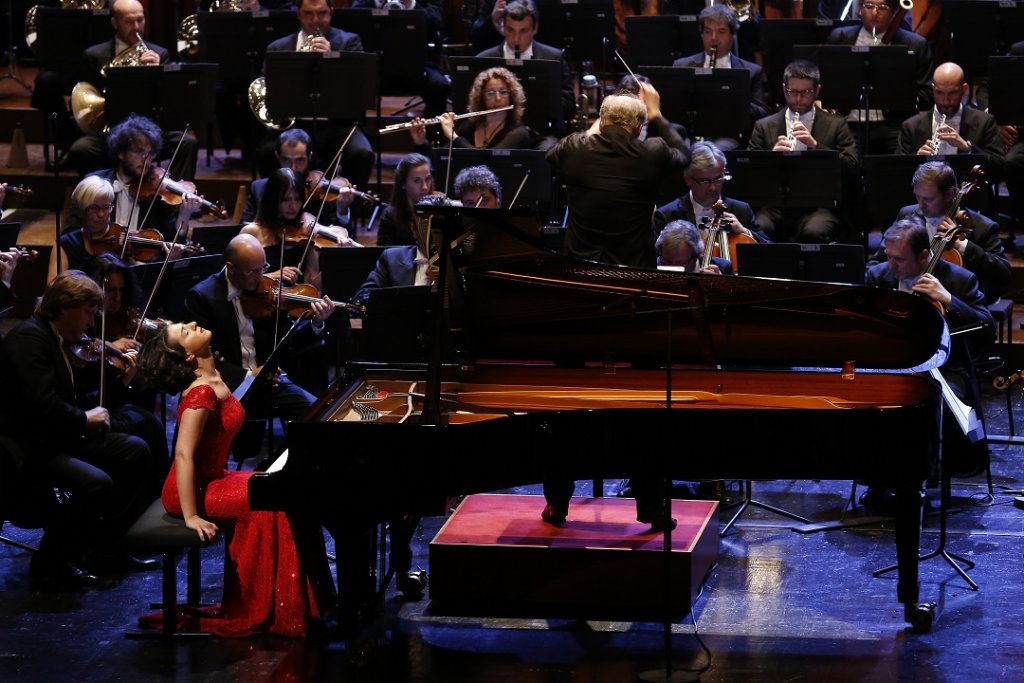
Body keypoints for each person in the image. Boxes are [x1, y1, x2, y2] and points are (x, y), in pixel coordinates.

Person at [135, 322, 335, 636]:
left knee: (281, 490)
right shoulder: (200, 393)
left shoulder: (214, 376)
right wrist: (191, 517)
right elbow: (183, 455)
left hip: (215, 477)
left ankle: (312, 603)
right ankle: (270, 606)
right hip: (191, 489)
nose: (191, 325)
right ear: (188, 357)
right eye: (185, 333)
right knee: (271, 503)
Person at [0, 271, 158, 589]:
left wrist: (122, 382)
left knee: (136, 450)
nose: (90, 323)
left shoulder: (58, 339)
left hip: (59, 436)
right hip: (30, 447)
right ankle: (50, 562)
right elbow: (42, 405)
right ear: (65, 307)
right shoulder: (30, 341)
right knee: (96, 483)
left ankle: (106, 548)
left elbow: (75, 399)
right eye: (88, 313)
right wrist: (85, 419)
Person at [862, 220, 993, 505]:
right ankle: (876, 476)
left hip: (944, 367)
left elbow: (986, 328)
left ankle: (924, 473)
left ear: (924, 256)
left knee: (931, 403)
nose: (891, 265)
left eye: (900, 259)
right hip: (891, 364)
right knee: (865, 398)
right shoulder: (877, 277)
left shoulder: (958, 280)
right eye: (888, 256)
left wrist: (947, 299)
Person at [183, 234, 336, 421]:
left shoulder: (267, 292)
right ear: (231, 268)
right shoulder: (202, 297)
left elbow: (289, 343)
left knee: (320, 414)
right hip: (227, 385)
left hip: (269, 382)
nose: (260, 278)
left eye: (262, 268)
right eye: (252, 272)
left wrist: (317, 322)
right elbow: (202, 360)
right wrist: (250, 376)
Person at [547, 85, 689, 269]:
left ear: (602, 123)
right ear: (639, 129)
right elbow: (684, 154)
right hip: (633, 269)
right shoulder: (652, 153)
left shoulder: (575, 148)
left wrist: (599, 125)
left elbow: (550, 155)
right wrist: (655, 114)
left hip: (579, 267)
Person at [58, 0, 199, 180]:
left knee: (187, 143)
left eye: (140, 20)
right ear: (114, 23)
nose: (136, 27)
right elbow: (84, 95)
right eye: (129, 22)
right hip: (112, 130)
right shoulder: (93, 55)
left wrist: (157, 72)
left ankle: (175, 202)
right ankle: (100, 198)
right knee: (82, 148)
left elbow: (168, 101)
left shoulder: (160, 54)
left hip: (151, 130)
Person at [262, 0, 375, 190]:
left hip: (338, 124)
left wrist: (331, 58)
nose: (316, 20)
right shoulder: (277, 48)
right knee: (265, 151)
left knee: (362, 152)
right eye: (308, 13)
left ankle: (346, 212)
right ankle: (278, 208)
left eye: (322, 13)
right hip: (295, 124)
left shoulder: (349, 41)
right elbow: (267, 90)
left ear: (331, 12)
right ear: (298, 13)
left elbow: (358, 86)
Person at [747, 59, 860, 243]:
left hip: (819, 205)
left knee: (814, 232)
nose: (798, 99)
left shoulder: (836, 124)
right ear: (784, 89)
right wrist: (770, 160)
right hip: (775, 206)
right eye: (793, 92)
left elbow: (853, 167)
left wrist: (816, 147)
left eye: (806, 92)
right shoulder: (763, 126)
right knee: (760, 229)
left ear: (817, 91)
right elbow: (750, 174)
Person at [888, 162, 1009, 304]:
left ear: (949, 194)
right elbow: (879, 260)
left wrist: (963, 245)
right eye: (917, 197)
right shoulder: (907, 215)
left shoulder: (983, 227)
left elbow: (1003, 275)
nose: (920, 205)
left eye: (928, 199)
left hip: (959, 305)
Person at [825, 0, 932, 155]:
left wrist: (898, 95)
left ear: (893, 12)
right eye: (869, 6)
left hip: (894, 126)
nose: (875, 12)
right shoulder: (839, 38)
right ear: (860, 9)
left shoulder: (915, 45)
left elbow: (927, 95)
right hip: (850, 124)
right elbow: (828, 82)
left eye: (882, 7)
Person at [240, 167, 359, 294]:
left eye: (297, 199)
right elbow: (237, 279)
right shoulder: (251, 233)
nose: (293, 206)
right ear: (273, 200)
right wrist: (273, 275)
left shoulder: (305, 235)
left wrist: (336, 258)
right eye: (286, 200)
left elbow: (312, 286)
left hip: (294, 306)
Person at [84, 115, 202, 241]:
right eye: (139, 151)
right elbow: (72, 234)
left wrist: (184, 215)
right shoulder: (94, 184)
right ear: (120, 153)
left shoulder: (157, 193)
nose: (146, 159)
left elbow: (171, 243)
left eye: (150, 153)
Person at [671, 4, 771, 149]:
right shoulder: (682, 66)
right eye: (707, 31)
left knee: (713, 152)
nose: (713, 38)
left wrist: (731, 99)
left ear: (733, 34)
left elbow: (763, 113)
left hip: (728, 136)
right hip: (691, 135)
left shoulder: (752, 71)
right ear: (701, 34)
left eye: (721, 32)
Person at [476, 0, 575, 130]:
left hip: (541, 132)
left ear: (535, 29)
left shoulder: (554, 58)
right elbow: (475, 105)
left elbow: (569, 106)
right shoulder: (484, 59)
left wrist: (540, 101)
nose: (516, 39)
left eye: (523, 31)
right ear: (502, 27)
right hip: (496, 132)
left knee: (549, 149)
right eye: (510, 30)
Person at [653, 141, 768, 245]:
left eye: (718, 179)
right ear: (688, 179)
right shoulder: (667, 215)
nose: (713, 188)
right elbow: (657, 259)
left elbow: (769, 249)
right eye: (704, 181)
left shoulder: (741, 210)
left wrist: (745, 232)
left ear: (724, 172)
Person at [896, 62, 1004, 172]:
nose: (946, 101)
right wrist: (917, 160)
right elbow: (898, 173)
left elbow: (999, 169)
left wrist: (968, 149)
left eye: (953, 93)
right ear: (933, 89)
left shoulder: (985, 122)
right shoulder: (910, 126)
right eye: (939, 93)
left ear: (964, 89)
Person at [241, 128, 358, 228]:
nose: (293, 168)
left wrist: (342, 210)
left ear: (309, 156)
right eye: (286, 160)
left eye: (300, 160)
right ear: (277, 156)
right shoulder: (259, 188)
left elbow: (340, 237)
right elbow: (243, 229)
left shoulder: (324, 192)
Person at [350, 0, 449, 117]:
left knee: (439, 85)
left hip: (418, 67)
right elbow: (353, 15)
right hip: (378, 67)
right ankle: (356, 132)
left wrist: (410, 4)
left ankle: (433, 134)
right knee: (351, 81)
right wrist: (377, 2)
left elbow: (436, 20)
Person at [411, 67, 532, 152]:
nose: (498, 98)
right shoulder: (469, 127)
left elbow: (486, 163)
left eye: (503, 92)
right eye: (490, 93)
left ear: (511, 96)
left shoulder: (518, 133)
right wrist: (421, 143)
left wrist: (453, 136)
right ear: (482, 98)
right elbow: (441, 160)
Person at [376, 153, 435, 247]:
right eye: (417, 180)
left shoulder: (438, 209)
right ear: (403, 183)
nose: (424, 187)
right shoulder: (390, 215)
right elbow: (384, 253)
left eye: (427, 179)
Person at [656, 219, 733, 274]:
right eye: (667, 262)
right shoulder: (653, 266)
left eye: (680, 263)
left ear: (695, 256)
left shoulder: (723, 268)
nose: (672, 270)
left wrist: (721, 284)